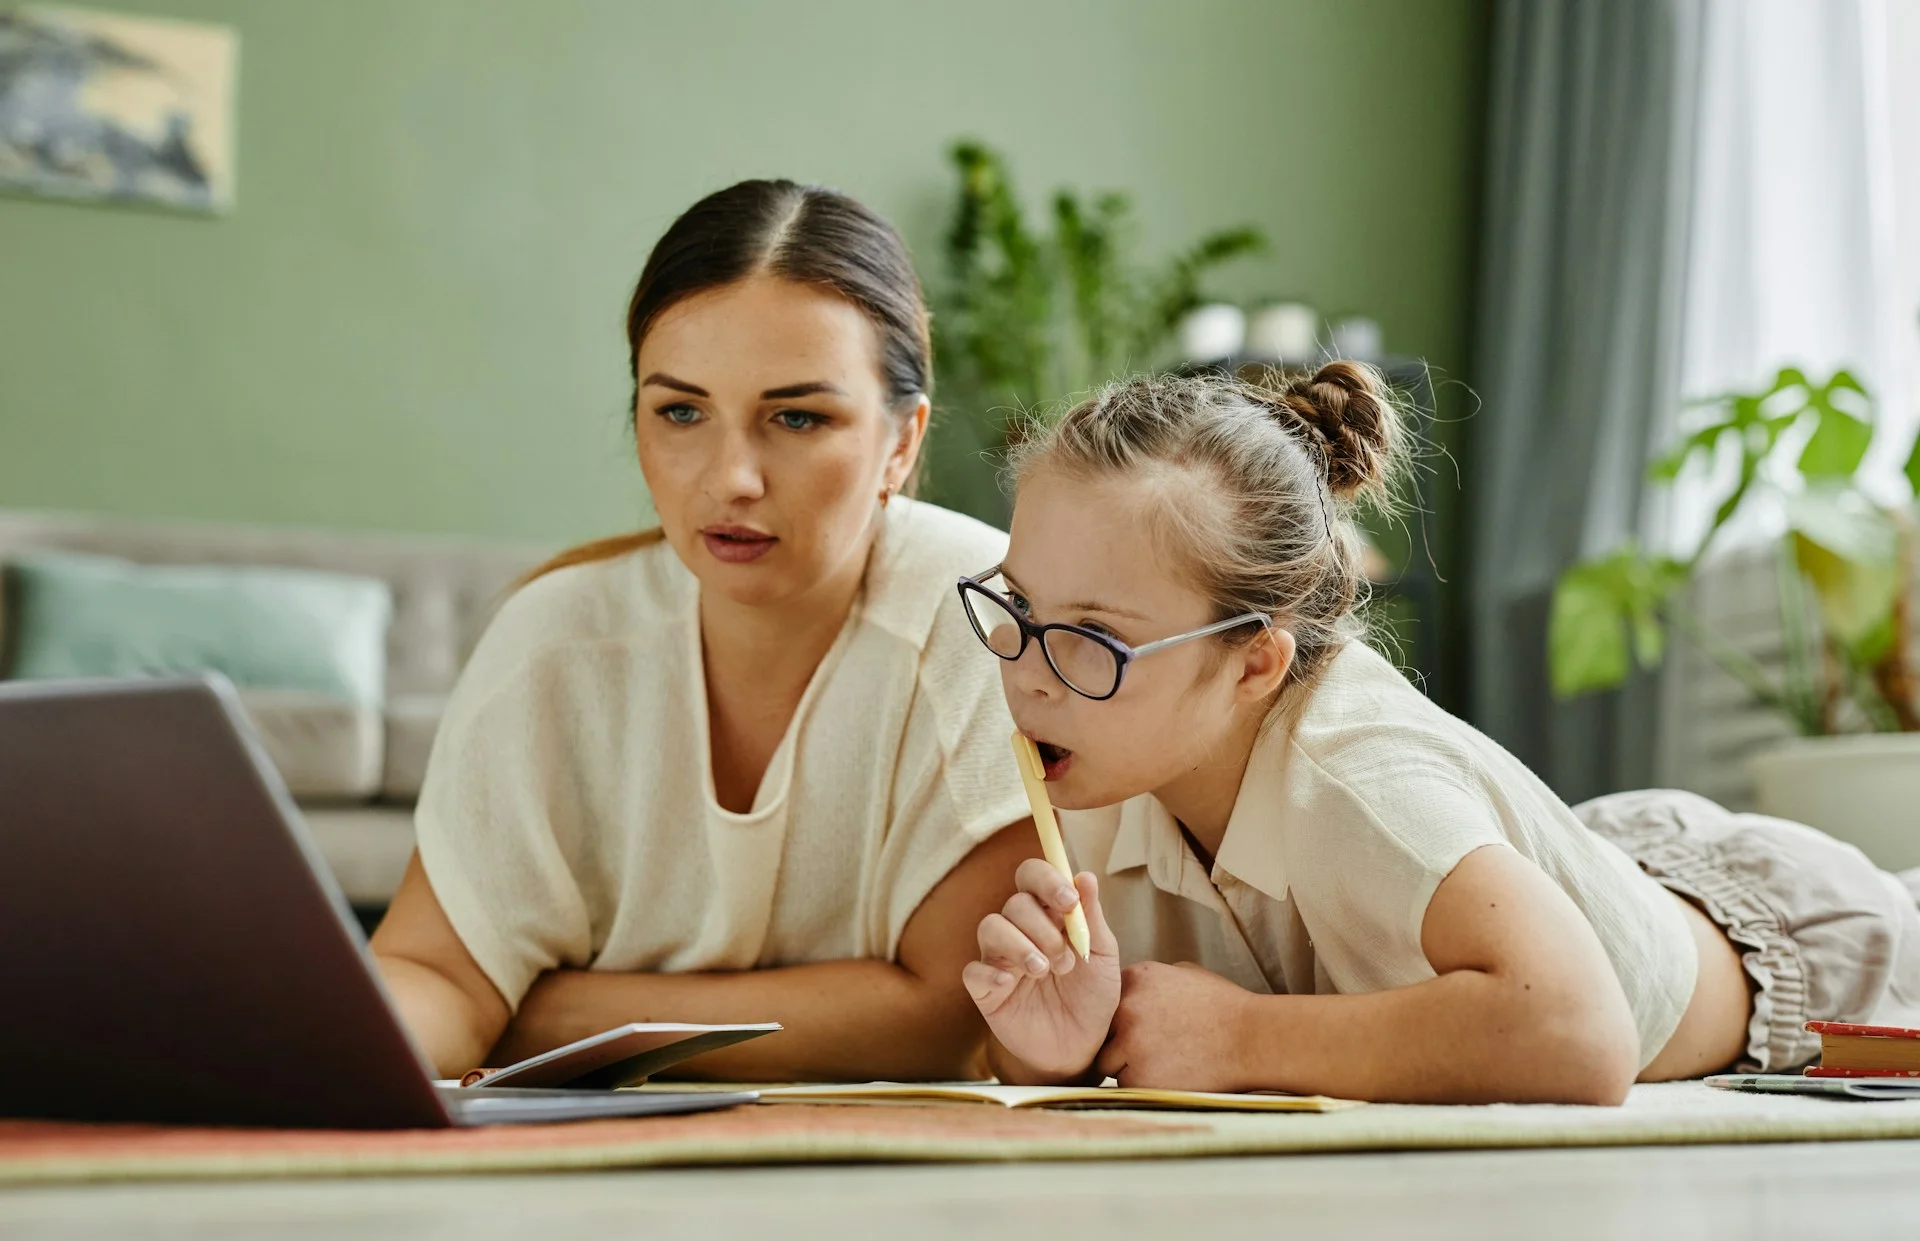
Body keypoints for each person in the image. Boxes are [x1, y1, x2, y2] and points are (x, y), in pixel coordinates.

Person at [958, 364, 1920, 1104]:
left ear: (1254, 664)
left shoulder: (1357, 781)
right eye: (1019, 607)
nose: (1027, 672)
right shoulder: (1098, 764)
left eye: (1091, 637)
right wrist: (1052, 1049)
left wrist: (1247, 1040)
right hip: (1582, 869)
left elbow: (1583, 1034)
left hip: (1787, 948)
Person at [371, 180, 1039, 1081]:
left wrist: (543, 1013)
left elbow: (941, 1018)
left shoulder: (983, 618)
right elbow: (437, 978)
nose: (732, 478)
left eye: (798, 417)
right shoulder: (557, 637)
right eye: (681, 411)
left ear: (902, 442)